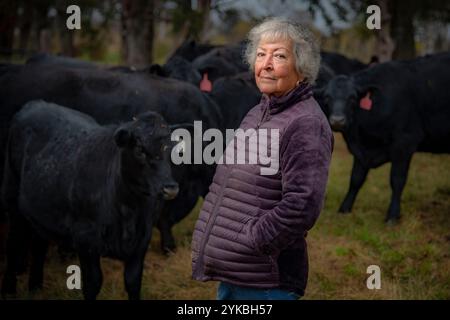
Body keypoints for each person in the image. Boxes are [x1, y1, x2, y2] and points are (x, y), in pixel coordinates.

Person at [191, 17, 334, 300]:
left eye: (279, 56)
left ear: (302, 69)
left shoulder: (306, 123)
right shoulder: (258, 112)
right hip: (237, 272)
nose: (266, 64)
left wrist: (253, 240)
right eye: (260, 54)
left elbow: (302, 204)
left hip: (268, 281)